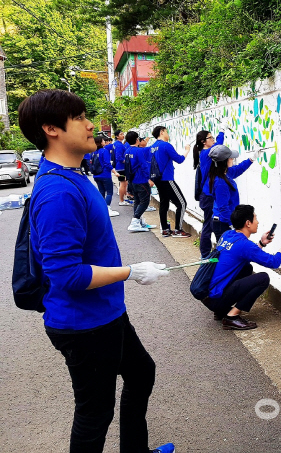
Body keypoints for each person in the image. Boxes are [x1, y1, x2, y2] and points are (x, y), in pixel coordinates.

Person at [17, 89, 174, 453]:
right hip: (83, 325)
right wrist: (131, 271)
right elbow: (68, 276)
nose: (91, 126)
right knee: (94, 414)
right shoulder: (58, 192)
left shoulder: (73, 176)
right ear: (51, 129)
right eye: (80, 119)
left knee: (140, 373)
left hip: (106, 314)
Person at [203, 204, 281, 329]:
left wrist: (262, 243)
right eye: (255, 218)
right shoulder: (244, 245)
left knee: (246, 268)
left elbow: (241, 255)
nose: (257, 222)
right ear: (248, 223)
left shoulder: (227, 234)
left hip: (210, 296)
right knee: (263, 278)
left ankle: (220, 311)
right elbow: (274, 262)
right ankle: (231, 317)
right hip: (217, 299)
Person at [208, 145, 257, 244]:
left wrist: (252, 159)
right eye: (231, 158)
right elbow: (223, 208)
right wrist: (234, 225)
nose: (233, 160)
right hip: (223, 223)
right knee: (225, 254)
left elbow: (238, 169)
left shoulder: (225, 173)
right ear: (225, 162)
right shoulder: (221, 182)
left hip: (224, 221)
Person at [150, 125, 191, 238]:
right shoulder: (166, 145)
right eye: (167, 132)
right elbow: (179, 159)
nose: (168, 134)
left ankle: (165, 229)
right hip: (167, 179)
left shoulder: (152, 147)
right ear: (162, 132)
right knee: (182, 203)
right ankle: (178, 229)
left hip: (158, 179)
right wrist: (187, 150)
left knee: (164, 203)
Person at [193, 130, 224, 258]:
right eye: (210, 138)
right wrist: (222, 132)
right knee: (208, 225)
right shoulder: (207, 153)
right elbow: (219, 145)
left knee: (210, 224)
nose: (213, 140)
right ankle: (205, 254)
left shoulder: (206, 152)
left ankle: (207, 253)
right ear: (203, 142)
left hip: (208, 194)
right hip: (208, 195)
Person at [125, 131, 157, 233]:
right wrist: (150, 178)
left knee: (137, 201)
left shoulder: (127, 150)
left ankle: (140, 222)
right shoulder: (138, 151)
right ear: (137, 140)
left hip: (132, 180)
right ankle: (135, 221)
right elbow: (144, 165)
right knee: (145, 201)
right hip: (141, 180)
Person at [92, 136, 120, 217]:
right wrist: (115, 172)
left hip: (96, 175)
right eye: (103, 140)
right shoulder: (104, 151)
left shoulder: (93, 152)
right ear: (100, 142)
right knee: (109, 192)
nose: (105, 141)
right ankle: (107, 208)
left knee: (101, 192)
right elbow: (107, 164)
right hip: (105, 174)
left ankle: (101, 209)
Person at [113, 130, 132, 207]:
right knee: (123, 184)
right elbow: (119, 157)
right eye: (121, 134)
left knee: (124, 183)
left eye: (123, 134)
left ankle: (123, 199)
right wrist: (126, 162)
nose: (123, 135)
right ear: (117, 136)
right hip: (121, 167)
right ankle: (121, 200)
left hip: (120, 167)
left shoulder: (117, 144)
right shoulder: (119, 145)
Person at [138, 136, 156, 212]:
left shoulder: (137, 150)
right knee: (146, 193)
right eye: (143, 140)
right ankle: (145, 206)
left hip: (139, 177)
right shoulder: (144, 150)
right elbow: (154, 147)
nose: (145, 141)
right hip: (145, 176)